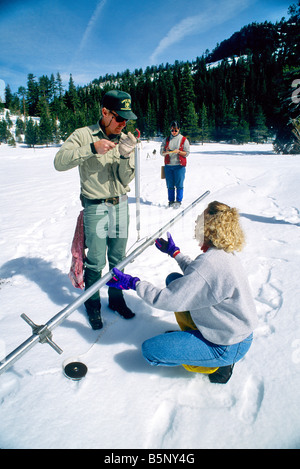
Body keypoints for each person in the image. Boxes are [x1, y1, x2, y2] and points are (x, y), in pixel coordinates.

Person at [107, 201, 258, 383]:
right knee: (174, 279)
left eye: (201, 220)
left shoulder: (211, 263)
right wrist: (175, 253)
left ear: (210, 228)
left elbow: (166, 299)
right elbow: (199, 275)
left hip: (226, 344)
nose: (196, 223)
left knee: (150, 351)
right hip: (235, 331)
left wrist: (134, 283)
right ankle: (194, 341)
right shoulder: (222, 254)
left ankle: (216, 366)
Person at [54, 90, 138, 330]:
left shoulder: (123, 138)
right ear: (105, 112)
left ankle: (116, 299)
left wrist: (125, 156)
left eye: (126, 120)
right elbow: (59, 162)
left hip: (121, 204)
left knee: (118, 258)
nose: (123, 124)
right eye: (119, 118)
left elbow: (124, 179)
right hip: (96, 206)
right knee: (96, 260)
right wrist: (92, 148)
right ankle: (92, 305)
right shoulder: (84, 135)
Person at [160, 121, 190, 207]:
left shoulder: (184, 140)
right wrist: (166, 152)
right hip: (168, 166)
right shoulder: (166, 140)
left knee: (179, 184)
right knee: (169, 184)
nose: (174, 132)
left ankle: (179, 201)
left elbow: (187, 153)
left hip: (179, 166)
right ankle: (171, 201)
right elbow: (161, 152)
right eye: (172, 130)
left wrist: (179, 152)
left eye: (176, 130)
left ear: (179, 129)